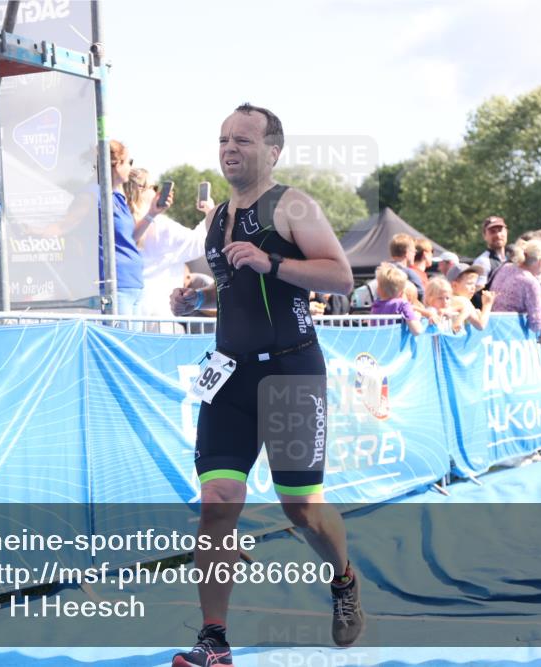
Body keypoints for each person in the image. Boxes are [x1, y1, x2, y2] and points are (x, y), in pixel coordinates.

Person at [168, 103, 362, 667]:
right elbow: (235, 288)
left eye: (244, 140)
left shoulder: (292, 204)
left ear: (272, 151)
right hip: (229, 373)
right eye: (224, 139)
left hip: (290, 371)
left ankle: (343, 578)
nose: (230, 148)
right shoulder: (215, 218)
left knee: (300, 508)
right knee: (217, 501)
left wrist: (270, 262)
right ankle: (214, 640)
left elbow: (341, 276)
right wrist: (196, 299)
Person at [126, 167, 211, 332]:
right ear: (141, 189)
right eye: (154, 188)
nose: (157, 192)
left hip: (131, 317)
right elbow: (199, 243)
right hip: (160, 320)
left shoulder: (121, 224)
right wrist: (209, 212)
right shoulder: (161, 227)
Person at [100, 140, 172, 319]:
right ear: (115, 165)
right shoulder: (95, 196)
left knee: (132, 344)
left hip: (134, 284)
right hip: (116, 285)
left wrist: (152, 213)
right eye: (128, 162)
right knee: (120, 344)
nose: (131, 167)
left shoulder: (117, 197)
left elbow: (131, 236)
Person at [490, 237, 541, 354]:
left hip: (493, 323)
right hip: (510, 331)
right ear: (540, 261)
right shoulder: (530, 282)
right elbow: (535, 325)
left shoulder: (505, 267)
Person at [371, 263, 426, 335]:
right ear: (402, 292)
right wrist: (417, 317)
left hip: (380, 345)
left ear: (378, 290)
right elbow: (417, 331)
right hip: (398, 345)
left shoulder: (375, 305)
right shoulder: (402, 305)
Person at [471, 215, 508, 307]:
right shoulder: (482, 261)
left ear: (506, 232)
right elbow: (476, 293)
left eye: (500, 230)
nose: (498, 235)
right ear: (484, 236)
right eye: (492, 232)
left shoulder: (513, 258)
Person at [447, 264, 495, 331]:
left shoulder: (448, 300)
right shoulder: (463, 301)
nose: (473, 287)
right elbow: (481, 325)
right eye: (469, 283)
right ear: (454, 285)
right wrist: (487, 304)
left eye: (474, 284)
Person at [386, 233, 425, 301]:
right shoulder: (409, 273)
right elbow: (422, 295)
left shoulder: (383, 272)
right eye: (414, 251)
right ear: (407, 252)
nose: (415, 254)